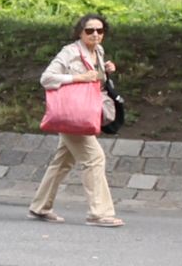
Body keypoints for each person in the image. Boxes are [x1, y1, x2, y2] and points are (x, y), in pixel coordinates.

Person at [31, 13, 122, 226]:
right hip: (72, 114)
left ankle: (40, 207)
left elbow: (97, 80)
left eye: (99, 30)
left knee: (63, 161)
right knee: (95, 158)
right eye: (89, 30)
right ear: (80, 32)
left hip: (85, 113)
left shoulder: (98, 51)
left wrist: (106, 71)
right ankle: (99, 213)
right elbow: (46, 78)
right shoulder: (70, 52)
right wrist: (78, 78)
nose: (95, 34)